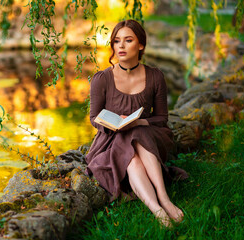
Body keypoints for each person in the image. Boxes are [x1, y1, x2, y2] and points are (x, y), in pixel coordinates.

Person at [85, 19, 188, 227]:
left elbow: (161, 118)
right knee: (129, 150)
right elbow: (94, 117)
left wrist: (138, 122)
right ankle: (158, 209)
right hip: (112, 140)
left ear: (140, 45)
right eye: (116, 41)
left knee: (137, 134)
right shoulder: (102, 79)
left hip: (148, 136)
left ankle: (164, 199)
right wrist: (113, 124)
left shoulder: (155, 76)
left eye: (128, 40)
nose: (121, 46)